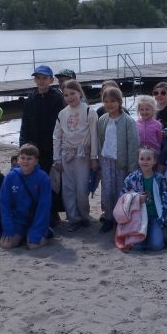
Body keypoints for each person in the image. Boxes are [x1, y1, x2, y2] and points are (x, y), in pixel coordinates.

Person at [19, 65, 65, 228]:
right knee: (34, 180)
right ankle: (37, 211)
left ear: (51, 80)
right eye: (38, 78)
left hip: (52, 147)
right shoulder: (30, 99)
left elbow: (63, 124)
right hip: (34, 147)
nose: (41, 81)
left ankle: (53, 212)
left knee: (52, 182)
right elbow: (24, 124)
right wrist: (22, 145)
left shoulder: (58, 98)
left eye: (44, 78)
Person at [53, 80, 98, 232]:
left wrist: (94, 157)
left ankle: (84, 216)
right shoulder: (62, 113)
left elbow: (94, 136)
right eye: (66, 95)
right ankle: (73, 218)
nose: (70, 97)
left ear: (79, 92)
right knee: (68, 188)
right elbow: (57, 137)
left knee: (82, 188)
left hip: (83, 155)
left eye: (72, 93)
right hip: (66, 155)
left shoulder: (89, 111)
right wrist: (57, 158)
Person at [97, 87, 139, 233]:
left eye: (113, 101)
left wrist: (132, 167)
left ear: (120, 102)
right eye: (106, 101)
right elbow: (100, 140)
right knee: (107, 190)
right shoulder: (102, 120)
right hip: (106, 160)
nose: (109, 104)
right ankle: (109, 217)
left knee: (121, 190)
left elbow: (133, 145)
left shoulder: (128, 121)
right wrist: (98, 159)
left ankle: (121, 218)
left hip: (122, 161)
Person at [0, 144, 52, 250]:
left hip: (35, 218)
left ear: (36, 161)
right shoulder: (11, 176)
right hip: (18, 218)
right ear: (18, 160)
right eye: (22, 158)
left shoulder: (43, 178)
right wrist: (8, 227)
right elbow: (4, 203)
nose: (25, 161)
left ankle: (46, 233)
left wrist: (37, 231)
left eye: (29, 158)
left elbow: (44, 207)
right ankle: (23, 235)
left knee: (33, 245)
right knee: (6, 245)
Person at [121, 147, 167, 251]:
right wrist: (136, 198)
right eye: (142, 159)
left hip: (155, 218)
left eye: (148, 159)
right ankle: (144, 236)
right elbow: (123, 197)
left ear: (154, 161)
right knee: (137, 247)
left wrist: (164, 220)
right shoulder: (132, 178)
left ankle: (154, 234)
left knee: (156, 246)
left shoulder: (160, 179)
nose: (145, 162)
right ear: (138, 160)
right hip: (138, 218)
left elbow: (166, 202)